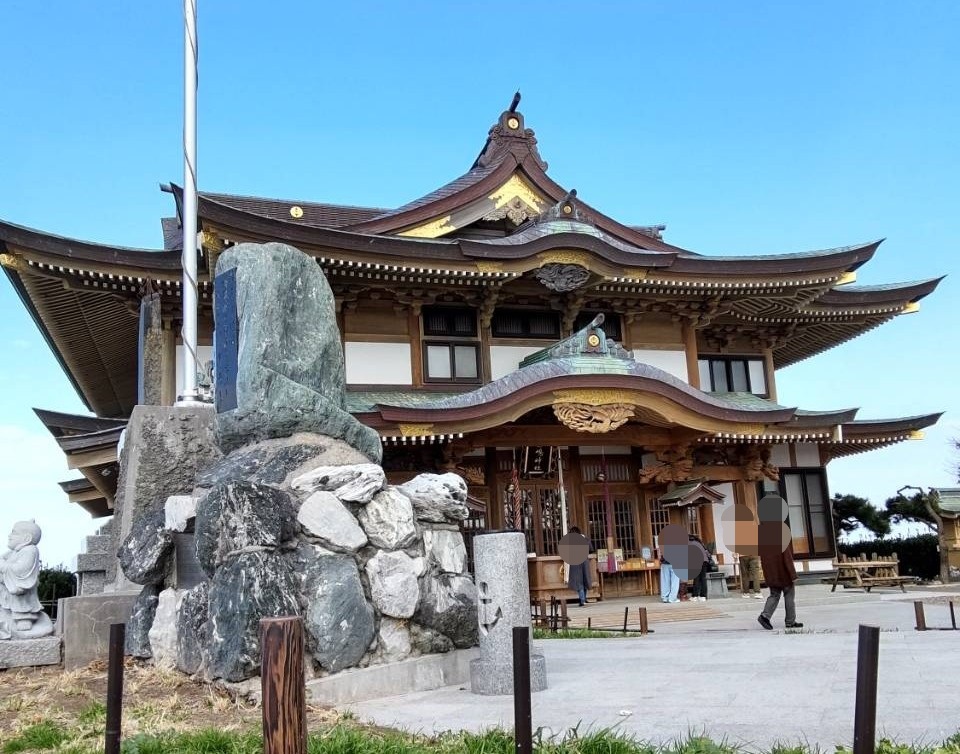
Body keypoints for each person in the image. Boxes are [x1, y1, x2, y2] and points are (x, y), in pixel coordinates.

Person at [756, 494, 804, 630]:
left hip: (770, 570)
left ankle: (765, 616)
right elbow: (786, 554)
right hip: (782, 570)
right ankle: (790, 621)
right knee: (789, 594)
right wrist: (792, 573)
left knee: (774, 594)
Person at [566, 526, 592, 606]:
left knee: (578, 582)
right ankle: (584, 598)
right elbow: (591, 549)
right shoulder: (585, 539)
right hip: (584, 561)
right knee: (585, 580)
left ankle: (582, 599)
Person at [688, 534, 710, 602]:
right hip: (704, 561)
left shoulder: (689, 543)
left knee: (696, 579)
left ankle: (695, 596)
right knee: (703, 578)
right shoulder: (699, 543)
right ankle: (703, 596)